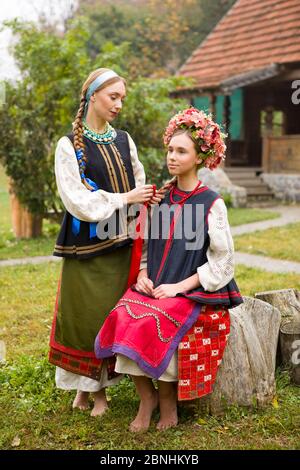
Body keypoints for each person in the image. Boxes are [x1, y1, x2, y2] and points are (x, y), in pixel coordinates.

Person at [94, 107, 243, 430]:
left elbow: (223, 259)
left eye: (181, 151)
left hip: (192, 291)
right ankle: (146, 397)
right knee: (123, 314)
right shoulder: (160, 198)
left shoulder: (211, 203)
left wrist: (180, 287)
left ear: (201, 157)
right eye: (170, 150)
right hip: (155, 285)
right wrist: (145, 275)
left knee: (154, 319)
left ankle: (167, 401)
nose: (172, 157)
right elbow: (147, 246)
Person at [49, 68, 159, 417]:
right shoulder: (68, 146)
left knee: (112, 315)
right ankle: (90, 391)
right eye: (114, 97)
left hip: (122, 242)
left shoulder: (125, 140)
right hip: (85, 245)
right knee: (85, 315)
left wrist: (143, 205)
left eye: (122, 98)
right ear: (92, 96)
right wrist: (124, 198)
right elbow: (76, 200)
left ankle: (95, 391)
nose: (119, 104)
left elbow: (138, 187)